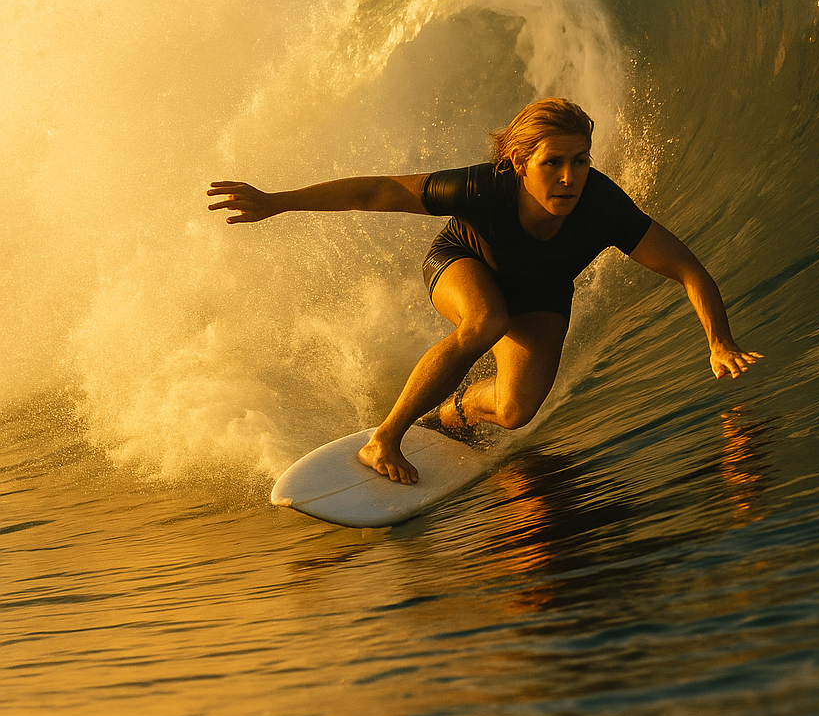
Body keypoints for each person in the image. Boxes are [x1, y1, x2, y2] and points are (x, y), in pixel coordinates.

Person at [207, 97, 761, 485]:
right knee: (484, 321)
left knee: (515, 411)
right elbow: (379, 191)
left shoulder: (602, 207)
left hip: (541, 293)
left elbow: (689, 269)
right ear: (520, 163)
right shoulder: (482, 187)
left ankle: (452, 413)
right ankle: (385, 438)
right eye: (554, 163)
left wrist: (719, 340)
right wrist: (278, 201)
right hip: (464, 263)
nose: (570, 178)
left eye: (581, 161)